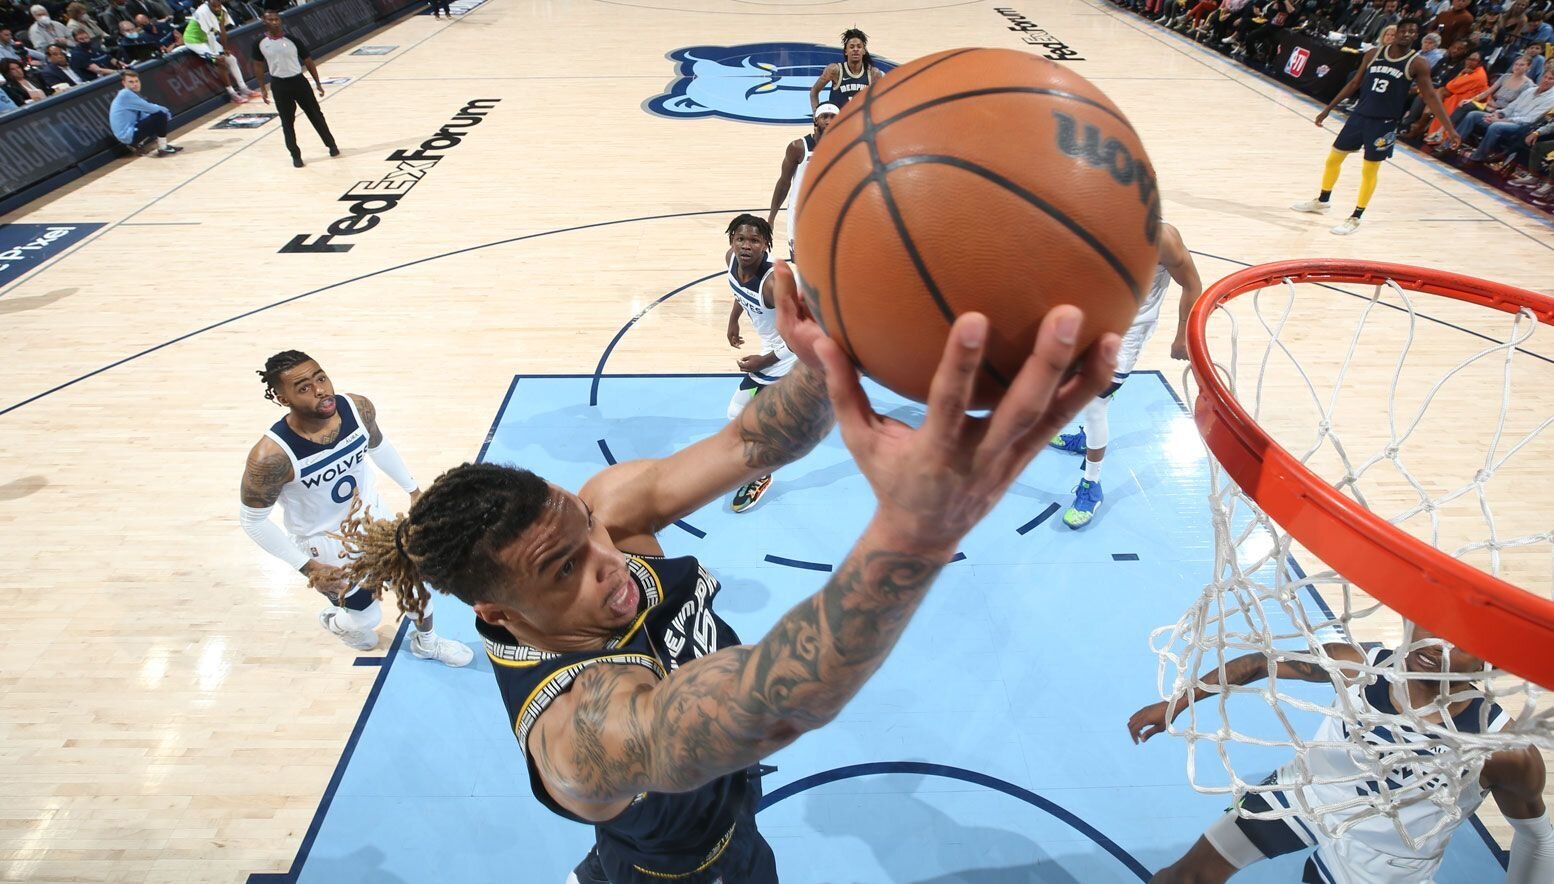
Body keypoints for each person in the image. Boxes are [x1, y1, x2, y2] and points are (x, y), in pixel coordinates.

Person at [328, 259, 1121, 884]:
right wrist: (915, 534)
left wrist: (840, 345)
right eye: (564, 571)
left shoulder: (606, 514)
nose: (608, 564)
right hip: (683, 865)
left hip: (723, 792)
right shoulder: (577, 730)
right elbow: (770, 702)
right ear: (501, 614)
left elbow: (753, 443)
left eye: (586, 530)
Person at [1127, 625, 1554, 883]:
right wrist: (1175, 704)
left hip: (1390, 852)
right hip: (1309, 792)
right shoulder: (1359, 666)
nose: (1437, 643)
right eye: (1434, 625)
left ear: (1490, 664)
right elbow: (1259, 662)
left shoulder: (1503, 749)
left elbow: (1537, 836)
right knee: (1183, 878)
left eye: (1461, 642)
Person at [238, 351, 473, 667]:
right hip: (325, 542)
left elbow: (378, 446)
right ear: (282, 398)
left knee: (415, 585)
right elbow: (253, 521)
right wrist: (308, 567)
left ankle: (427, 643)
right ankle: (339, 622)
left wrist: (414, 490)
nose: (320, 390)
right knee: (366, 618)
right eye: (304, 387)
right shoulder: (271, 457)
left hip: (375, 520)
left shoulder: (357, 409)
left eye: (321, 378)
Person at [1048, 221, 1202, 529]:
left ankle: (1091, 487)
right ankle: (1084, 439)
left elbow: (1192, 284)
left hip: (1128, 332)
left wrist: (1183, 335)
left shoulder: (1162, 238)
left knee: (1095, 405)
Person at [1292, 19, 1460, 235]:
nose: (1408, 34)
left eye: (1413, 31)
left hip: (1384, 123)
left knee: (1369, 170)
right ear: (1396, 32)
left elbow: (1430, 96)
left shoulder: (1417, 63)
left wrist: (1450, 128)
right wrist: (1328, 109)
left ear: (1416, 36)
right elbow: (1354, 83)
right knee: (1333, 159)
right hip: (1359, 116)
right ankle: (1323, 200)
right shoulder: (1372, 54)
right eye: (1404, 30)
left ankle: (1356, 217)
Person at [721, 215, 795, 514]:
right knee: (736, 413)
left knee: (749, 417)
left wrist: (762, 362)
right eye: (741, 239)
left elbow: (798, 337)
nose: (746, 246)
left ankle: (761, 473)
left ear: (766, 245)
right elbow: (738, 290)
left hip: (788, 353)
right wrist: (733, 320)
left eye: (754, 241)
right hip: (772, 347)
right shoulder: (731, 261)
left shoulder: (775, 284)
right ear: (732, 242)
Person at [251, 10, 337, 167]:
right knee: (287, 121)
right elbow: (257, 65)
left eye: (277, 19)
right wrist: (262, 88)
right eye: (271, 19)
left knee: (316, 115)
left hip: (299, 82)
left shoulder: (292, 39)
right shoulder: (259, 43)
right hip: (279, 85)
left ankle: (331, 145)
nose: (275, 22)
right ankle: (295, 155)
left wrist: (317, 82)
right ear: (264, 21)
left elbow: (308, 61)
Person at [766, 103, 837, 260]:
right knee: (803, 265)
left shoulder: (846, 146)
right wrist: (771, 218)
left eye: (833, 117)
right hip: (801, 216)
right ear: (815, 120)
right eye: (824, 116)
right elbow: (784, 184)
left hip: (831, 215)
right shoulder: (798, 147)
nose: (829, 121)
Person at [1449, 66, 1554, 163]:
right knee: (1473, 115)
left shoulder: (1551, 98)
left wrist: (1500, 120)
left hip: (1521, 126)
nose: (1546, 80)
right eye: (1545, 77)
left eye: (1551, 79)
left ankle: (1477, 158)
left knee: (1496, 126)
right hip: (1506, 118)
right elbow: (1511, 107)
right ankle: (1450, 146)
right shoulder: (1530, 90)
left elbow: (1530, 119)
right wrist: (1497, 114)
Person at [183, 0, 254, 104]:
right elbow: (210, 34)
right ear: (208, 3)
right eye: (214, 6)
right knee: (220, 61)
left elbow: (222, 30)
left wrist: (225, 49)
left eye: (218, 5)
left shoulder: (221, 10)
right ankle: (232, 94)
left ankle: (243, 88)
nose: (217, 8)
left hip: (206, 39)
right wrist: (216, 54)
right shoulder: (203, 11)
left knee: (231, 59)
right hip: (194, 41)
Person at [808, 27, 884, 112]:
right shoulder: (834, 70)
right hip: (839, 122)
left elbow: (881, 100)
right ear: (845, 51)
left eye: (859, 47)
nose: (855, 49)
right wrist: (816, 114)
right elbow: (814, 92)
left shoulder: (873, 73)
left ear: (864, 51)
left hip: (862, 122)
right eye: (851, 47)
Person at [109, 69, 179, 154]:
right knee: (160, 115)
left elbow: (144, 115)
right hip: (127, 135)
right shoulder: (126, 95)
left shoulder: (131, 94)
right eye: (131, 82)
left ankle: (139, 144)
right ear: (124, 83)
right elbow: (152, 109)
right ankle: (163, 147)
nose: (135, 84)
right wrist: (165, 111)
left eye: (136, 81)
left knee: (158, 118)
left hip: (129, 132)